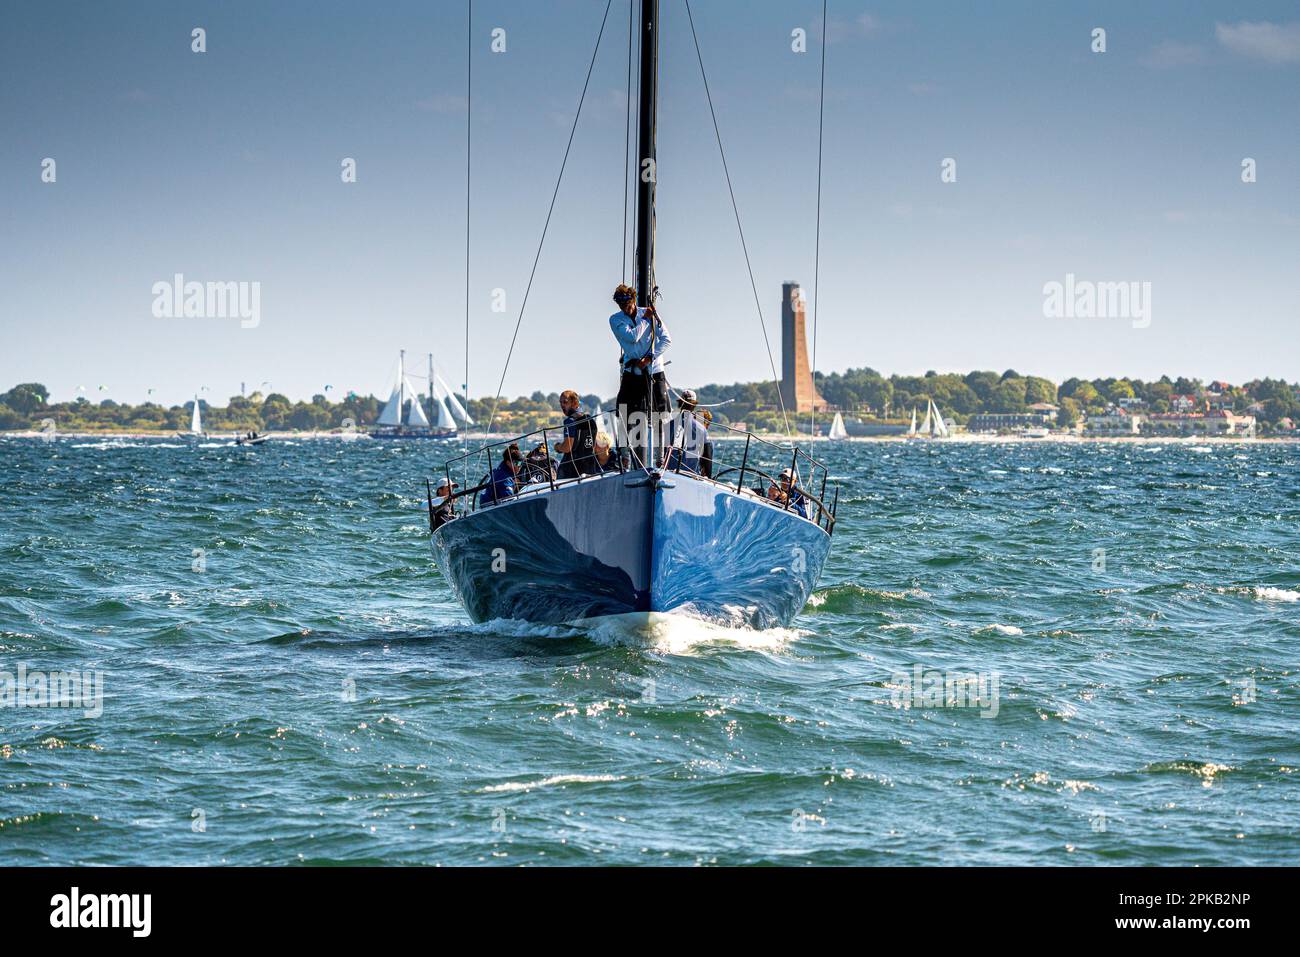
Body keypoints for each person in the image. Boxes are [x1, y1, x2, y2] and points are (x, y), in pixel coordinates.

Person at [609, 283, 671, 467]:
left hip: (654, 370)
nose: (624, 309)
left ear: (633, 300)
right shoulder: (615, 319)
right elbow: (632, 337)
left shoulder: (648, 313)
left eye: (627, 304)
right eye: (621, 306)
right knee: (624, 410)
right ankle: (625, 455)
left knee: (660, 413)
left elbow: (667, 339)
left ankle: (660, 458)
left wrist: (650, 357)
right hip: (632, 372)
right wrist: (645, 319)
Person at [554, 390, 598, 478]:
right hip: (590, 467)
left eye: (565, 402)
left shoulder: (570, 421)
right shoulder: (591, 420)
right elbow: (591, 444)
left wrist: (557, 447)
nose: (562, 405)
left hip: (571, 469)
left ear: (574, 403)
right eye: (561, 402)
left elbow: (567, 447)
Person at [664, 389, 708, 473]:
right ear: (694, 405)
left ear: (680, 404)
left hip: (670, 473)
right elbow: (706, 457)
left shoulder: (667, 426)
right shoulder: (702, 429)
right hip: (692, 475)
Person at [479, 443, 524, 507]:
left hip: (486, 505)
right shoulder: (505, 479)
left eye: (521, 463)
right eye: (517, 463)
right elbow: (510, 502)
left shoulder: (499, 470)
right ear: (508, 462)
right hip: (490, 508)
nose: (519, 466)